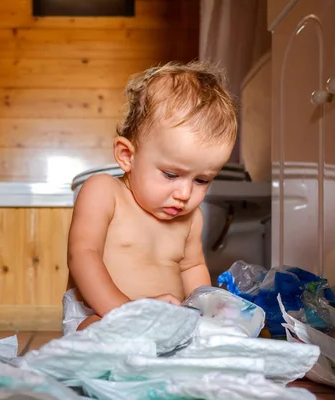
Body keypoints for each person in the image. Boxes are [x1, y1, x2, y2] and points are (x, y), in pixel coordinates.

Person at [63, 61, 238, 334]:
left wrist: (208, 313)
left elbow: (193, 269)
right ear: (127, 156)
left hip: (164, 323)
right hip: (100, 312)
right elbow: (82, 255)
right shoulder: (104, 192)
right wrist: (127, 313)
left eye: (202, 180)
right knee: (96, 331)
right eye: (170, 174)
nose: (184, 194)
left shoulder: (191, 218)